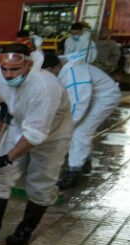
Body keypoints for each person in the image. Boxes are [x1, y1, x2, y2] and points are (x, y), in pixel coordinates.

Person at [0, 44, 72, 245]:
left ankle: (24, 232)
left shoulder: (44, 87)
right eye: (4, 69)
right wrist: (4, 103)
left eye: (14, 70)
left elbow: (35, 135)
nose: (8, 75)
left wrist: (7, 158)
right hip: (20, 125)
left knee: (41, 183)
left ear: (29, 65)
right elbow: (2, 89)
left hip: (52, 135)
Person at [42, 53, 121, 188]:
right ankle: (85, 162)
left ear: (52, 68)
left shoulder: (74, 74)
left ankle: (74, 172)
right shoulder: (63, 71)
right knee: (80, 131)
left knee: (79, 132)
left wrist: (64, 126)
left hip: (105, 97)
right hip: (91, 96)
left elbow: (78, 104)